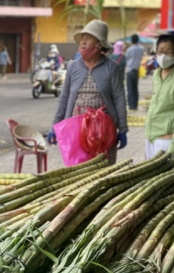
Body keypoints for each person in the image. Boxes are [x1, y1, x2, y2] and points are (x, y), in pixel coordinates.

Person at [48, 20, 128, 165]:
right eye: (82, 38)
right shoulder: (73, 67)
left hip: (103, 131)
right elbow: (64, 98)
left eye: (89, 38)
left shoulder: (112, 68)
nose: (83, 42)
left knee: (103, 171)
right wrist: (55, 126)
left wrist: (122, 129)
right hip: (76, 130)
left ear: (99, 44)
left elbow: (119, 99)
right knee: (79, 173)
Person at [144, 31, 174, 158]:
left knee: (166, 177)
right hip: (151, 136)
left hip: (167, 139)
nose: (163, 56)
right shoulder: (156, 73)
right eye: (160, 51)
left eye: (169, 52)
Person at [125, 33, 144, 110]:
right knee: (135, 88)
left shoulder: (129, 50)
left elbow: (127, 59)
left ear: (131, 40)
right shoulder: (141, 49)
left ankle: (131, 105)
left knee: (130, 89)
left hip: (129, 70)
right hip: (136, 70)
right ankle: (135, 105)